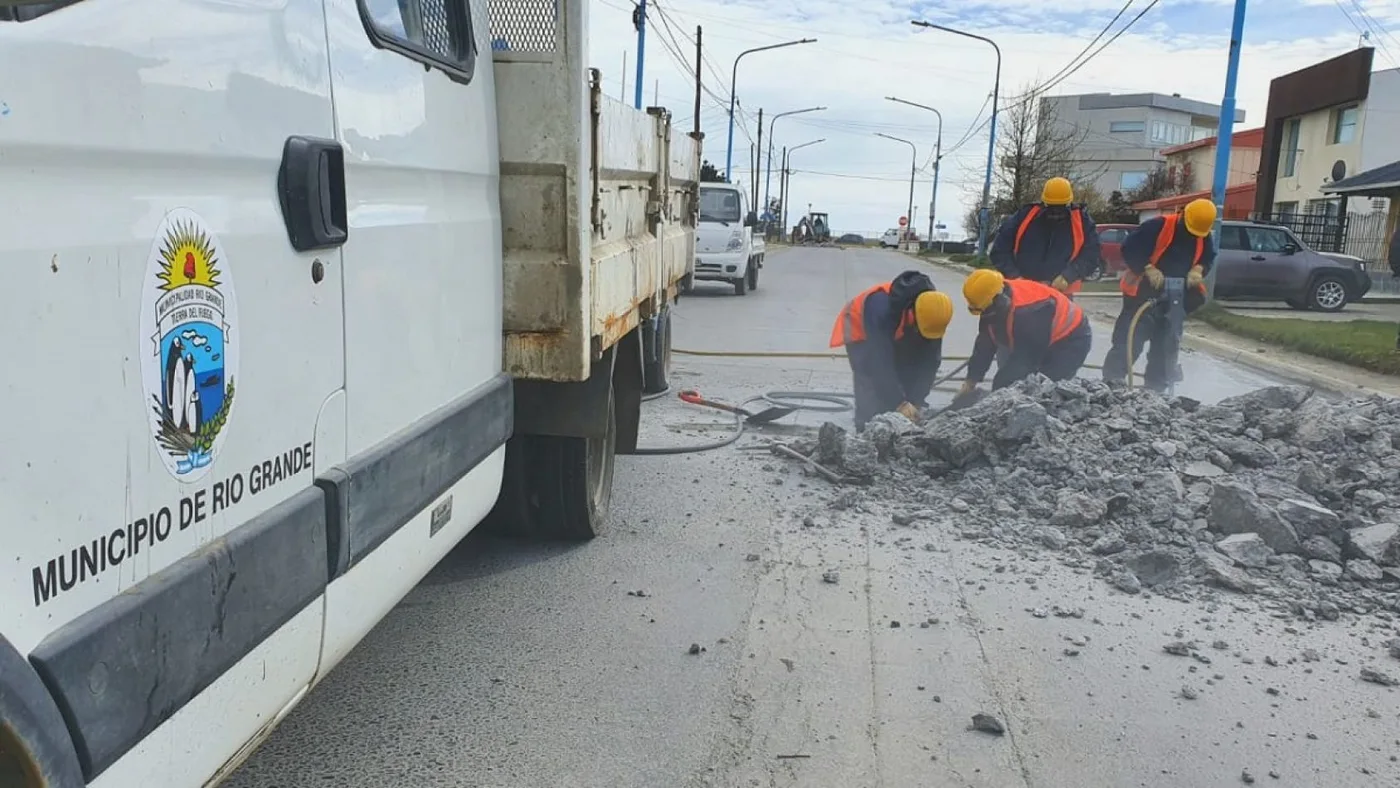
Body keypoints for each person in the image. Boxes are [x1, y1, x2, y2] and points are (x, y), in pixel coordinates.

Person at [1100, 198, 1217, 391]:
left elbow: (1208, 256)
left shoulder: (1202, 233)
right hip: (1142, 293)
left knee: (1165, 345)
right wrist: (1147, 267)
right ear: (1184, 215)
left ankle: (1156, 388)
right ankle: (1112, 383)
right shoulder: (1157, 226)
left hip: (1177, 296)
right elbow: (1129, 248)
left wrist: (1199, 269)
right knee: (1130, 340)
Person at [829, 270, 953, 429]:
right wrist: (898, 403)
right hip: (862, 331)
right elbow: (879, 363)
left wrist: (916, 400)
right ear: (912, 312)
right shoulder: (880, 308)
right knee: (870, 384)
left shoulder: (933, 311)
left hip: (899, 327)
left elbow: (930, 361)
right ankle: (865, 428)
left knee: (906, 374)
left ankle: (900, 419)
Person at [959, 268, 1092, 393]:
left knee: (1044, 389)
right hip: (1039, 337)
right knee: (1015, 385)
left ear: (999, 300)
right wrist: (971, 380)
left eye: (986, 310)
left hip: (1071, 340)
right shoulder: (991, 299)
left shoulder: (1030, 311)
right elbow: (985, 343)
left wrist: (998, 392)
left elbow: (1024, 361)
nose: (985, 314)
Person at [989, 177, 1102, 297]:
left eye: (1061, 208)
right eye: (1051, 207)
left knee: (1062, 317)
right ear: (1043, 203)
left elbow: (1091, 255)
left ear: (1069, 204)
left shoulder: (1082, 222)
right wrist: (1014, 276)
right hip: (1021, 292)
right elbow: (999, 251)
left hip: (1061, 295)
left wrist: (1068, 276)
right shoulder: (1024, 217)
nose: (1056, 213)